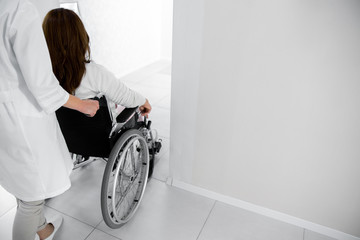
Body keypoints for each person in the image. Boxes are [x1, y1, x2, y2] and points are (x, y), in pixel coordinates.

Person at [0, 0, 100, 240]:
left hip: (6, 118)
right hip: (21, 120)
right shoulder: (18, 9)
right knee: (32, 197)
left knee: (22, 182)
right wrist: (84, 105)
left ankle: (44, 230)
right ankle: (38, 226)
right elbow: (43, 86)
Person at [42, 8, 152, 122]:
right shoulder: (93, 73)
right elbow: (126, 97)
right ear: (79, 37)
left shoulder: (42, 77)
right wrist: (144, 101)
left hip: (63, 136)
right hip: (95, 137)